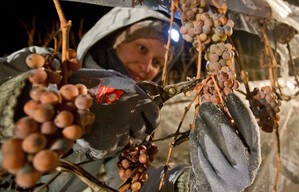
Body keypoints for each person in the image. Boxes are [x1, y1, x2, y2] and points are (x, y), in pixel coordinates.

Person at [0, 6, 261, 192]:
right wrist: (30, 99)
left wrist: (194, 183)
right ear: (112, 38)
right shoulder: (50, 69)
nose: (148, 65)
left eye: (158, 61)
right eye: (142, 48)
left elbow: (135, 181)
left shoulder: (133, 115)